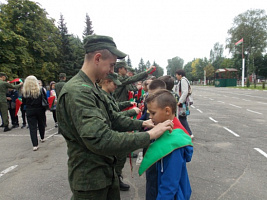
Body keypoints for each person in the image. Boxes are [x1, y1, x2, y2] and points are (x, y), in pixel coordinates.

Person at [56, 34, 173, 200]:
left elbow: (114, 118)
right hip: (90, 180)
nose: (112, 71)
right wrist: (149, 135)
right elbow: (100, 139)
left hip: (104, 174)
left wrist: (142, 125)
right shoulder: (78, 92)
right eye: (111, 65)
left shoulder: (92, 88)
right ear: (97, 58)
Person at [139, 89, 193, 200]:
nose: (150, 117)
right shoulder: (164, 132)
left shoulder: (173, 143)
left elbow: (169, 183)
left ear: (167, 111)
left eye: (153, 113)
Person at [99, 72, 140, 191]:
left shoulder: (108, 95)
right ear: (106, 82)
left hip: (115, 129)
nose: (116, 86)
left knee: (120, 156)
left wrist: (128, 103)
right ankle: (114, 179)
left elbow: (115, 106)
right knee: (116, 157)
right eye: (114, 84)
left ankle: (116, 177)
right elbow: (114, 116)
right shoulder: (103, 96)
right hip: (111, 131)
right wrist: (132, 111)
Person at [22, 75, 47, 151]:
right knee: (41, 123)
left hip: (30, 110)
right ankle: (42, 137)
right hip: (40, 109)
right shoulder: (40, 90)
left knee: (32, 127)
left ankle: (35, 144)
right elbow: (44, 99)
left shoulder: (25, 91)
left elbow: (24, 102)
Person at [175, 69, 194, 139]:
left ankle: (189, 133)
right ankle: (186, 133)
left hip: (183, 102)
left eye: (176, 75)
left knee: (182, 118)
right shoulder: (183, 80)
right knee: (182, 118)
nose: (176, 76)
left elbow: (185, 92)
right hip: (183, 102)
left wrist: (180, 101)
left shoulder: (183, 80)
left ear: (180, 75)